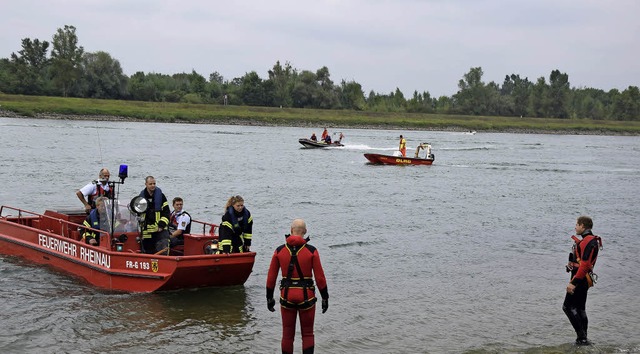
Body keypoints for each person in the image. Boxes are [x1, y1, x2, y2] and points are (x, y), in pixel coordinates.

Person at [266, 219, 329, 354]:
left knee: (287, 334)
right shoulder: (312, 251)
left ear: (291, 230)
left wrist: (269, 298)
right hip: (307, 297)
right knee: (307, 334)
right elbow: (320, 278)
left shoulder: (279, 251)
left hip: (287, 296)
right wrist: (325, 297)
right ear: (305, 232)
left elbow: (271, 278)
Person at [563, 215, 603, 346]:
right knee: (580, 309)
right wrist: (571, 264)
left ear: (582, 226)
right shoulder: (591, 240)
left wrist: (573, 283)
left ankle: (582, 338)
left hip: (579, 279)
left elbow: (585, 265)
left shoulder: (587, 241)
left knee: (568, 307)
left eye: (577, 224)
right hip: (584, 278)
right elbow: (584, 264)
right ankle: (583, 339)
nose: (575, 227)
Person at [139, 176, 171, 254]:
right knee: (146, 252)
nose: (153, 185)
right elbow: (138, 214)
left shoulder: (161, 197)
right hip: (146, 232)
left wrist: (161, 225)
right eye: (150, 184)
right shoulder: (141, 198)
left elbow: (167, 213)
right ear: (146, 184)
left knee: (163, 250)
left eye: (154, 183)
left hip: (160, 230)